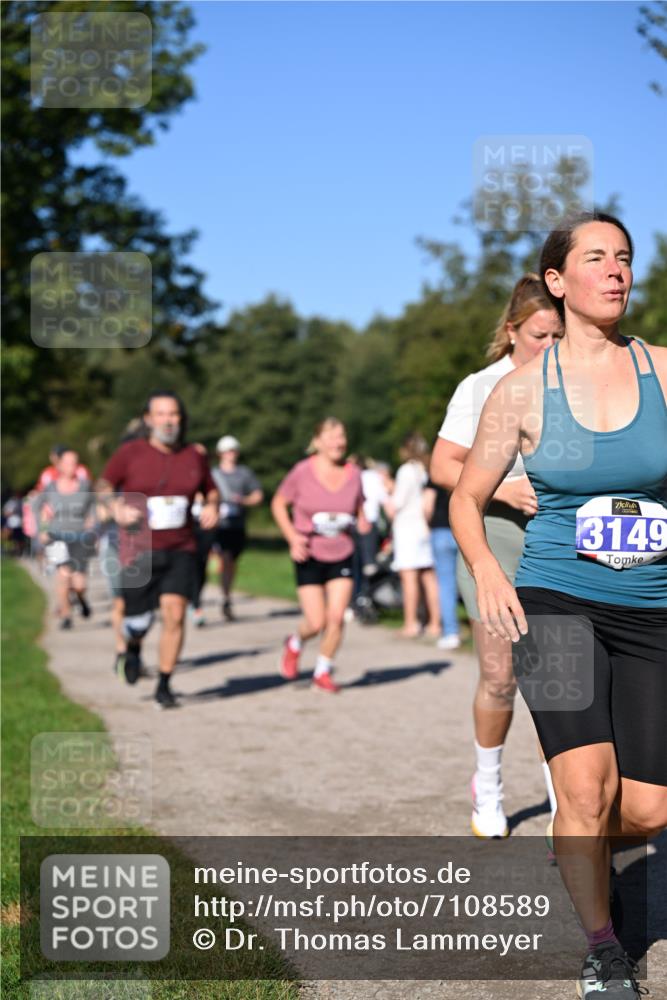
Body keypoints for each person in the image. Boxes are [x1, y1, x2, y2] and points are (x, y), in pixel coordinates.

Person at [449, 212, 667, 998]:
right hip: (555, 599)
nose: (615, 270)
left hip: (651, 605)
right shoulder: (519, 391)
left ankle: (578, 839)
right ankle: (604, 949)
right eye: (595, 258)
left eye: (624, 258)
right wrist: (487, 572)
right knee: (582, 790)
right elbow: (466, 501)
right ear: (555, 280)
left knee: (644, 811)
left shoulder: (664, 373)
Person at [431, 273, 562, 838]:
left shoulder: (571, 382)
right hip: (493, 538)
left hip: (556, 541)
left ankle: (568, 804)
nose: (550, 347)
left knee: (560, 680)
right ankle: (488, 785)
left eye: (559, 335)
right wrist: (503, 488)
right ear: (511, 332)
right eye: (539, 336)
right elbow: (442, 466)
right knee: (501, 674)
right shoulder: (482, 386)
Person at [99, 391, 219, 708]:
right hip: (138, 549)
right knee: (137, 621)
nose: (168, 421)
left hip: (182, 547)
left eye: (174, 414)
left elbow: (211, 491)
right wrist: (116, 509)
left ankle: (164, 684)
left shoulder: (194, 455)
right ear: (149, 420)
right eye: (161, 415)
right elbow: (104, 487)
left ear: (182, 419)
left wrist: (211, 506)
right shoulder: (130, 453)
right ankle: (133, 647)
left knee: (175, 615)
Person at [271, 417, 370, 693]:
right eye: (332, 437)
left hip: (342, 551)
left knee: (336, 617)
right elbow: (279, 503)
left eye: (341, 437)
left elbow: (360, 506)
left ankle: (322, 672)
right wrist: (292, 537)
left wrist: (362, 520)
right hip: (309, 552)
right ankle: (294, 643)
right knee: (316, 622)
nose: (338, 442)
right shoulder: (302, 472)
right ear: (317, 441)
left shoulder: (355, 474)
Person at [33, 449, 96, 628]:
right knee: (62, 576)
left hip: (80, 536)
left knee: (79, 583)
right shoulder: (51, 487)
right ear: (59, 465)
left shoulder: (85, 485)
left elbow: (93, 506)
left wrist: (92, 524)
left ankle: (81, 598)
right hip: (57, 536)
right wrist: (42, 530)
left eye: (75, 462)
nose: (72, 466)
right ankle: (66, 615)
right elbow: (36, 507)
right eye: (68, 463)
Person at [386, 433, 440, 638]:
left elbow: (396, 504)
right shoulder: (424, 471)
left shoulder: (405, 471)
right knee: (428, 576)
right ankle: (435, 623)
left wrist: (387, 494)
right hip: (424, 528)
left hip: (407, 529)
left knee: (409, 578)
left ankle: (411, 622)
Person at [209, 435, 263, 622]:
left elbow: (258, 495)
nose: (230, 454)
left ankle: (226, 594)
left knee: (231, 561)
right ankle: (222, 596)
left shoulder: (244, 473)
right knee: (223, 558)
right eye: (227, 451)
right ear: (220, 453)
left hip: (237, 523)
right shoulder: (213, 474)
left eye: (233, 450)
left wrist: (244, 500)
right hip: (218, 524)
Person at [422, 479, 461, 649]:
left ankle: (451, 632)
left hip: (441, 532)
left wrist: (428, 525)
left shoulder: (437, 476)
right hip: (466, 530)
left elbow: (427, 506)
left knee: (446, 584)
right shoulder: (470, 469)